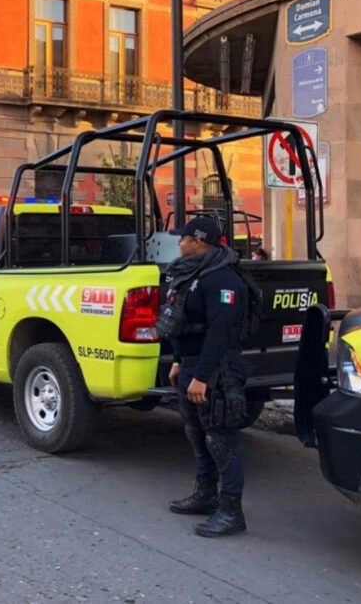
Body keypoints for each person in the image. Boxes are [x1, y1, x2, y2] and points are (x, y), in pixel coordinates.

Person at [162, 216, 255, 538]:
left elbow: (220, 332)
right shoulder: (194, 275)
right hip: (191, 366)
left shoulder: (222, 280)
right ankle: (205, 495)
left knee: (221, 440)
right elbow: (182, 322)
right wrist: (177, 362)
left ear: (198, 241)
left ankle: (231, 512)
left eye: (183, 237)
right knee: (198, 435)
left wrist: (202, 376)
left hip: (216, 370)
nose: (179, 242)